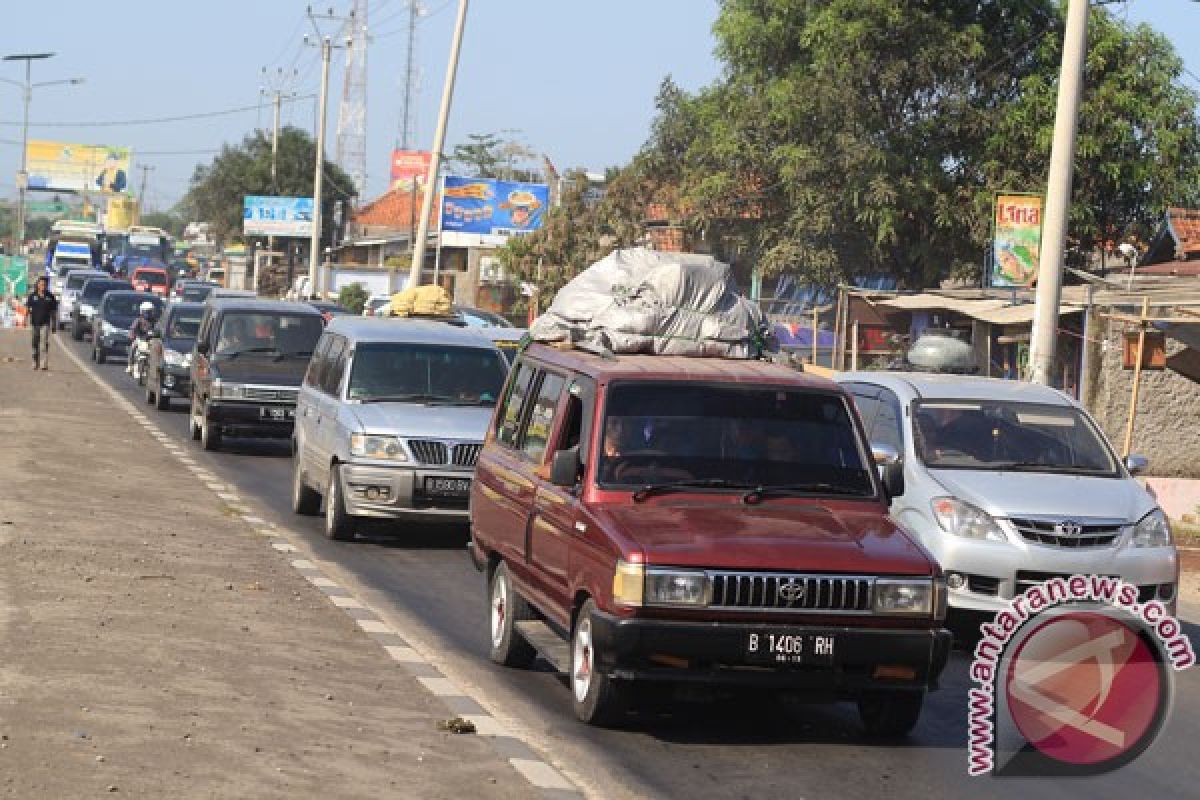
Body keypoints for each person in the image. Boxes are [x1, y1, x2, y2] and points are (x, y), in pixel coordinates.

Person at [24, 276, 58, 371]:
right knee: (35, 343)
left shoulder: (50, 297)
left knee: (44, 343)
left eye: (45, 285)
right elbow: (27, 308)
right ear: (38, 285)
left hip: (45, 324)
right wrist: (24, 319)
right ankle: (35, 361)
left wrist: (54, 324)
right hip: (34, 323)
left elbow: (53, 312)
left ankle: (44, 363)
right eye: (41, 284)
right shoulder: (32, 296)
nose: (43, 286)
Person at [127, 301, 159, 374]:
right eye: (146, 312)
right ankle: (130, 365)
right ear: (142, 311)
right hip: (140, 338)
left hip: (150, 340)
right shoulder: (138, 320)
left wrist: (157, 334)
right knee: (133, 348)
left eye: (150, 312)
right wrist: (132, 335)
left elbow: (159, 329)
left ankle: (155, 368)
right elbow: (133, 328)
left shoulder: (155, 321)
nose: (148, 314)